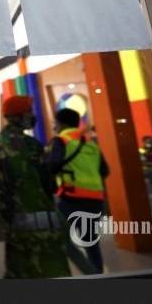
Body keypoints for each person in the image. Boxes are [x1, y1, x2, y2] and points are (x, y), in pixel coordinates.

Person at [0, 95, 71, 278]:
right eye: (29, 112)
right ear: (18, 116)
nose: (32, 116)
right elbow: (48, 183)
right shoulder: (33, 145)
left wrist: (5, 214)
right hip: (44, 217)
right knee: (51, 268)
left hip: (16, 218)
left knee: (21, 268)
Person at [46, 108, 109, 275]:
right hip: (95, 200)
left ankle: (86, 273)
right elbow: (104, 170)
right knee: (91, 242)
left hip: (71, 200)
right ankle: (97, 277)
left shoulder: (61, 140)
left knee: (59, 237)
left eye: (55, 123)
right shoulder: (90, 142)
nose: (54, 126)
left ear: (61, 123)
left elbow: (52, 166)